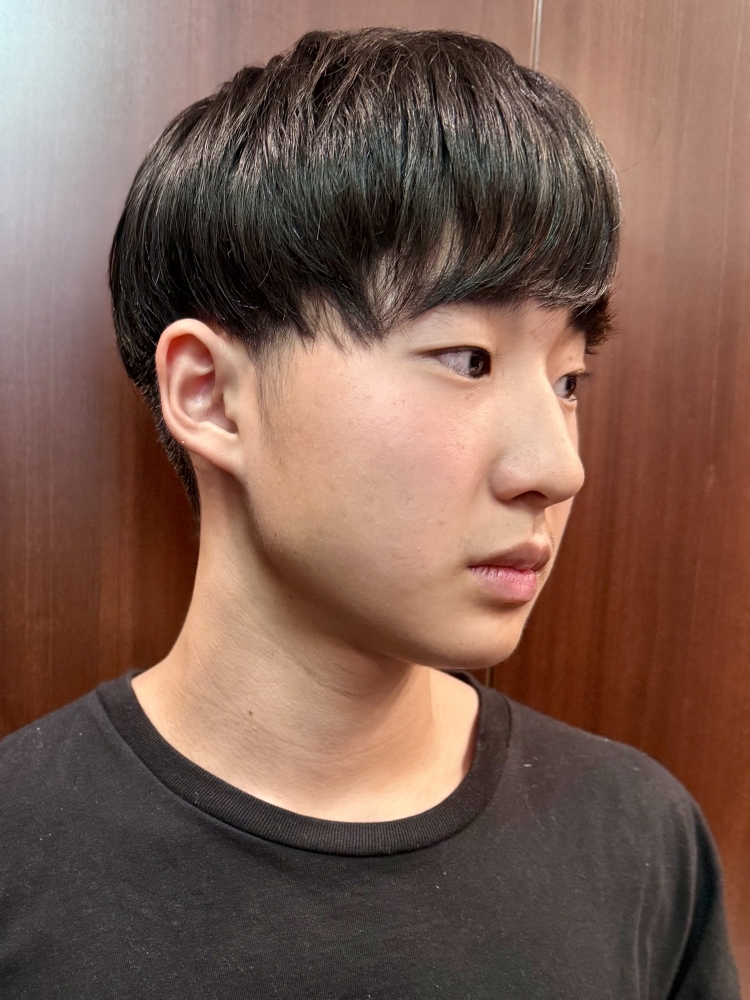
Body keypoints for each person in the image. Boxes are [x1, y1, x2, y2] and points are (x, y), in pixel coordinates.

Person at [0, 27, 740, 998]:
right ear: (213, 396)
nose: (558, 469)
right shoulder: (21, 851)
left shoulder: (639, 840)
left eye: (568, 379)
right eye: (468, 359)